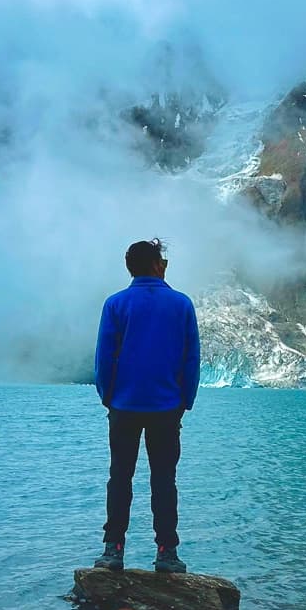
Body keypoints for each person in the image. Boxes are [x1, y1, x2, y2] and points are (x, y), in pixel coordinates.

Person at [93, 238, 199, 573]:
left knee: (120, 477)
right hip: (167, 407)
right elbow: (191, 358)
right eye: (162, 260)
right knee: (164, 480)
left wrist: (108, 396)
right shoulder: (181, 304)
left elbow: (104, 357)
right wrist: (186, 400)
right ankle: (167, 552)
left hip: (124, 406)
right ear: (157, 265)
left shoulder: (116, 304)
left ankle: (113, 550)